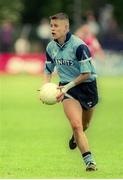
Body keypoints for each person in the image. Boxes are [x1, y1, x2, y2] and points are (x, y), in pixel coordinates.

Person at [42, 12, 98, 171]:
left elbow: (86, 73)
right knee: (76, 125)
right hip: (66, 88)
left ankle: (76, 137)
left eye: (56, 26)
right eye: (51, 25)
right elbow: (48, 68)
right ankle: (89, 161)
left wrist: (67, 86)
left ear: (66, 27)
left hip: (87, 86)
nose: (52, 28)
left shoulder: (79, 46)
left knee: (85, 124)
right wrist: (45, 87)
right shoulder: (50, 46)